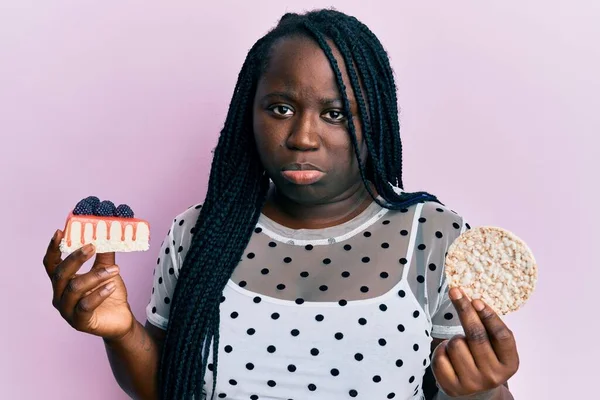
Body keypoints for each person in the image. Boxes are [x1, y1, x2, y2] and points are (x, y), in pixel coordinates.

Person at [42, 9, 519, 400]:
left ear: (376, 117)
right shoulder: (198, 233)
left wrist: (485, 393)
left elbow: (472, 384)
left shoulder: (434, 237)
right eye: (281, 109)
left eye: (335, 114)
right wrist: (121, 332)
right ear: (248, 113)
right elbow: (168, 387)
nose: (302, 137)